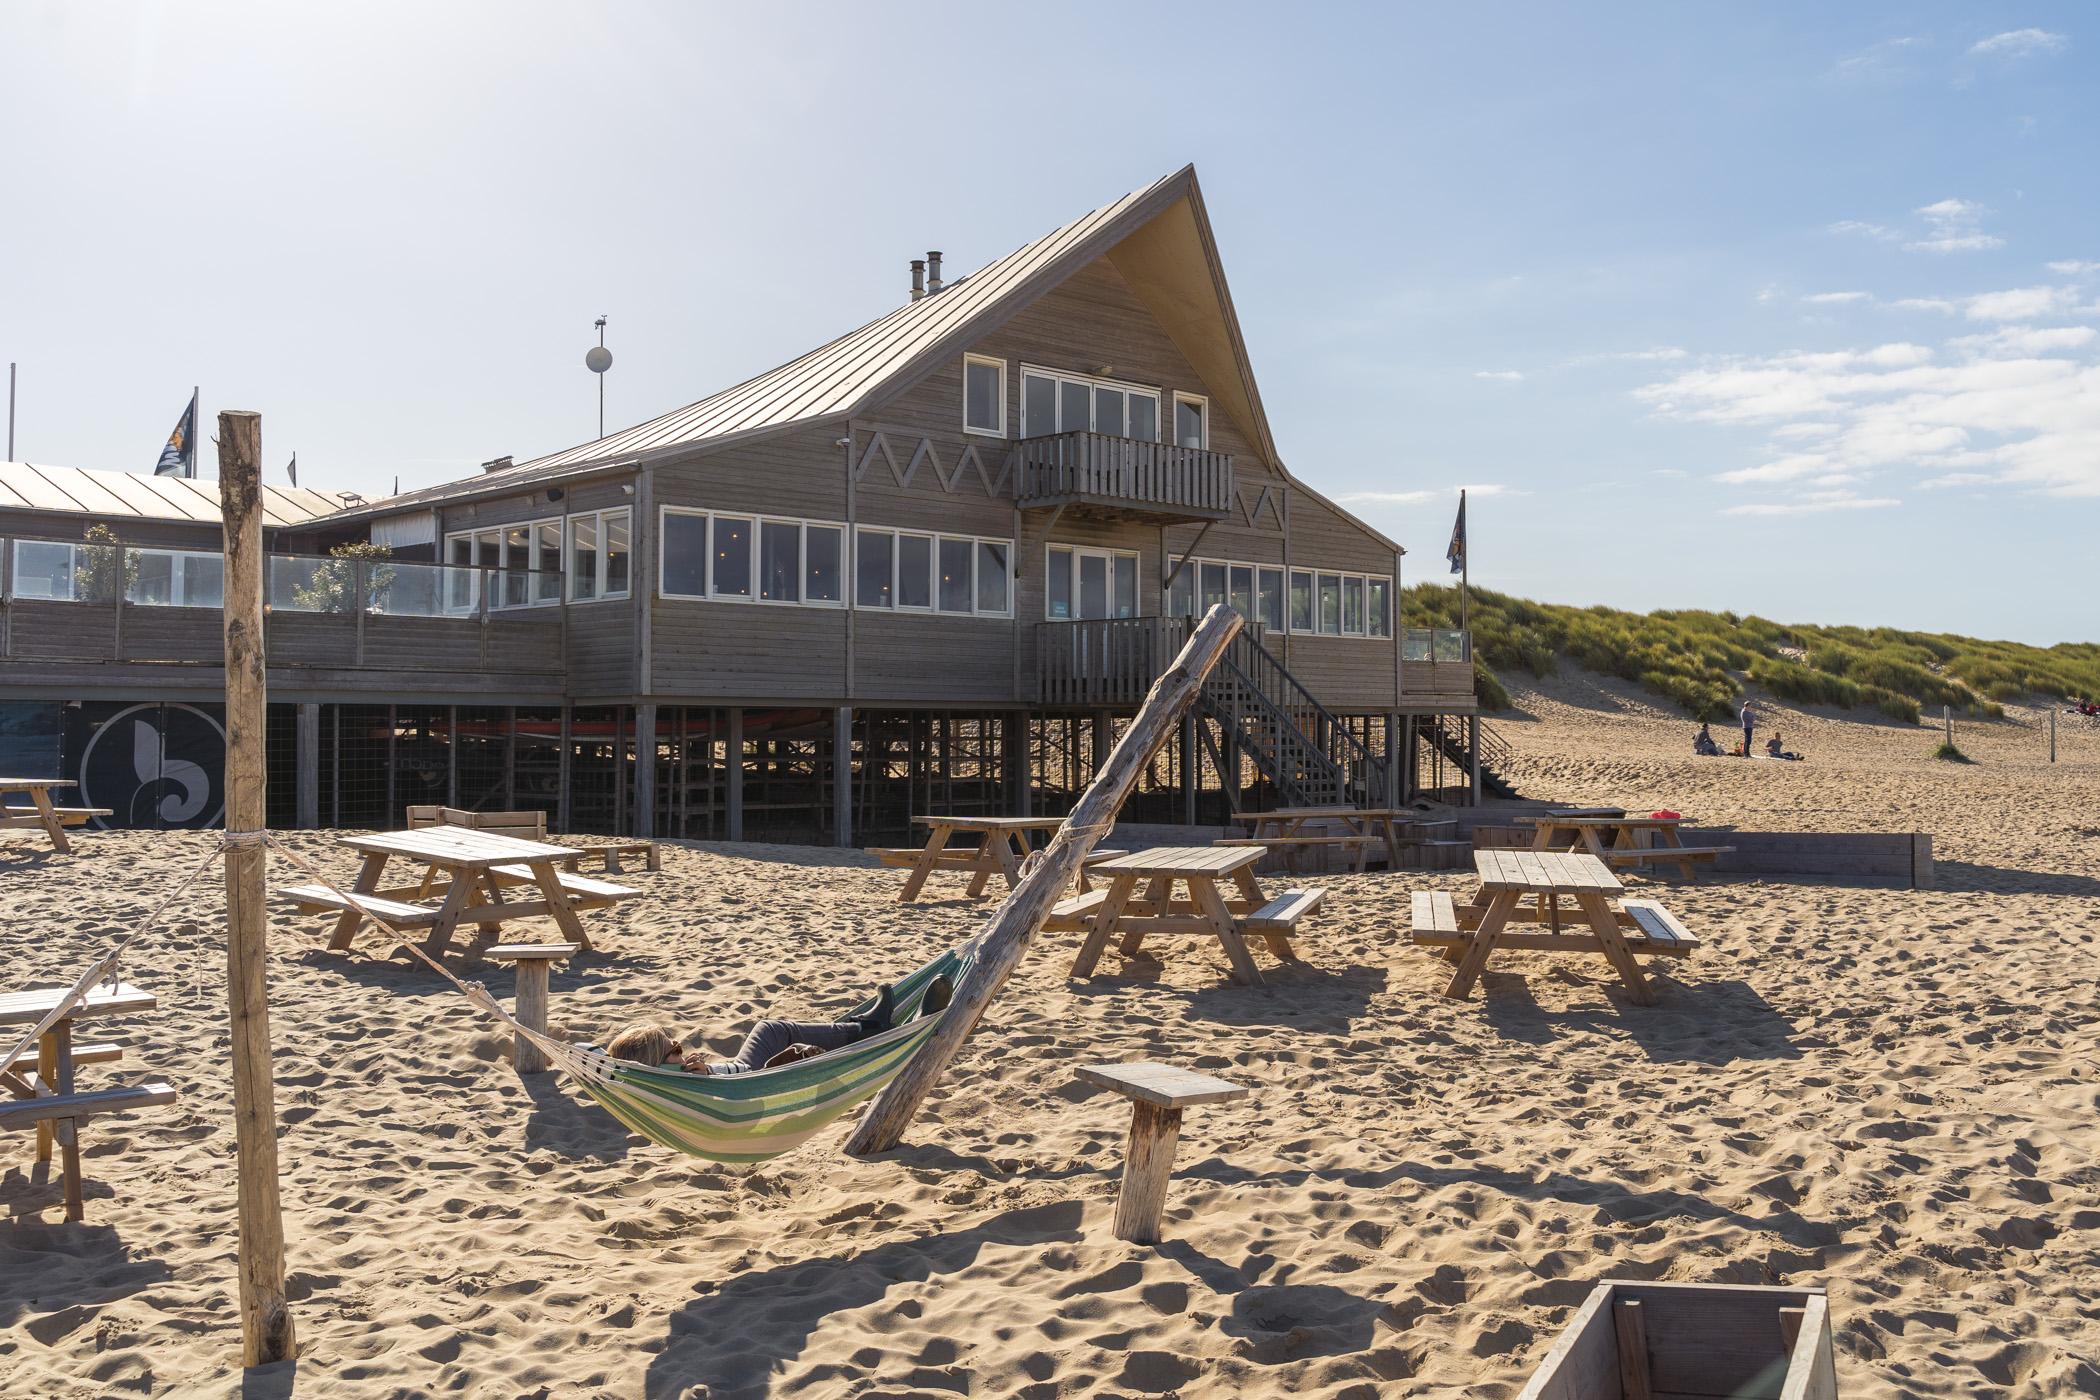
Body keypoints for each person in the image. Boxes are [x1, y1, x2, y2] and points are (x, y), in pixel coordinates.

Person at [608, 976, 953, 1076]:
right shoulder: (676, 1079)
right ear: (654, 1060)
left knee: (772, 1028)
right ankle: (888, 1033)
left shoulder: (666, 1076)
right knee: (774, 1031)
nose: (681, 1053)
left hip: (741, 1072)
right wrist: (706, 1074)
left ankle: (867, 1026)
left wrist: (699, 1069)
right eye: (675, 1050)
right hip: (748, 1077)